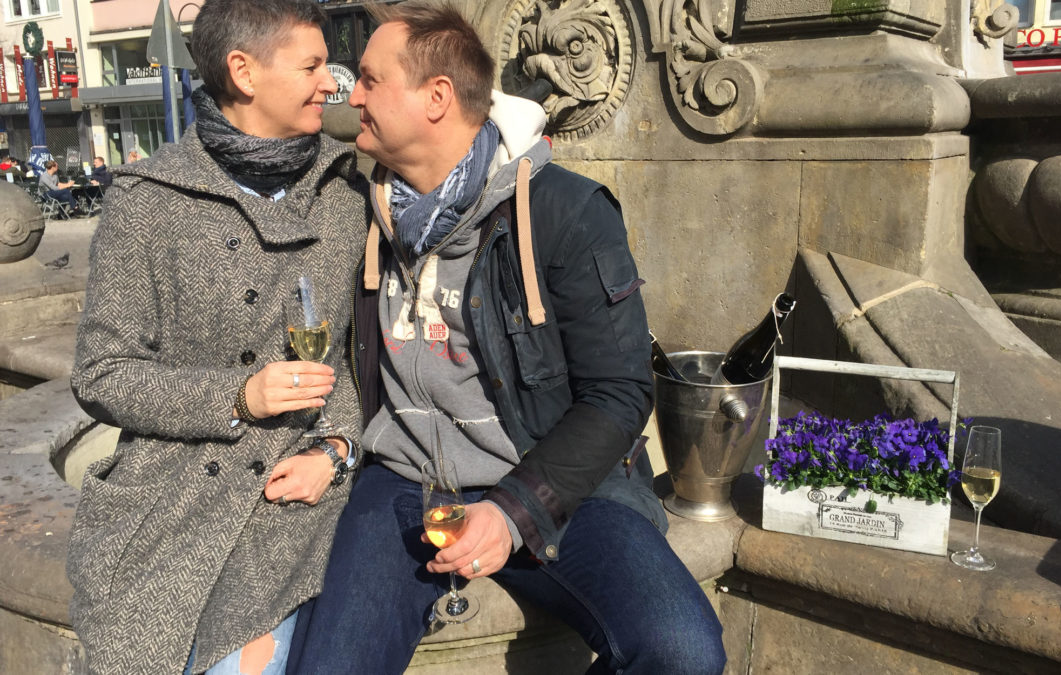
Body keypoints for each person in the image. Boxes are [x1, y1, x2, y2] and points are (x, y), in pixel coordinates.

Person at [286, 3, 727, 673]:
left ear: (436, 98)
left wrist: (514, 510)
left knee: (683, 650)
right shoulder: (353, 209)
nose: (355, 94)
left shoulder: (566, 212)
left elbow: (619, 390)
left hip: (550, 477)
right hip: (403, 481)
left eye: (372, 80)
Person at [67, 0, 366, 673]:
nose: (332, 81)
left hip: (297, 489)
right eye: (313, 65)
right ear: (245, 72)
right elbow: (101, 372)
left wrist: (340, 449)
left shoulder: (348, 194)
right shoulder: (147, 197)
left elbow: (367, 361)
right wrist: (238, 396)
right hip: (173, 489)